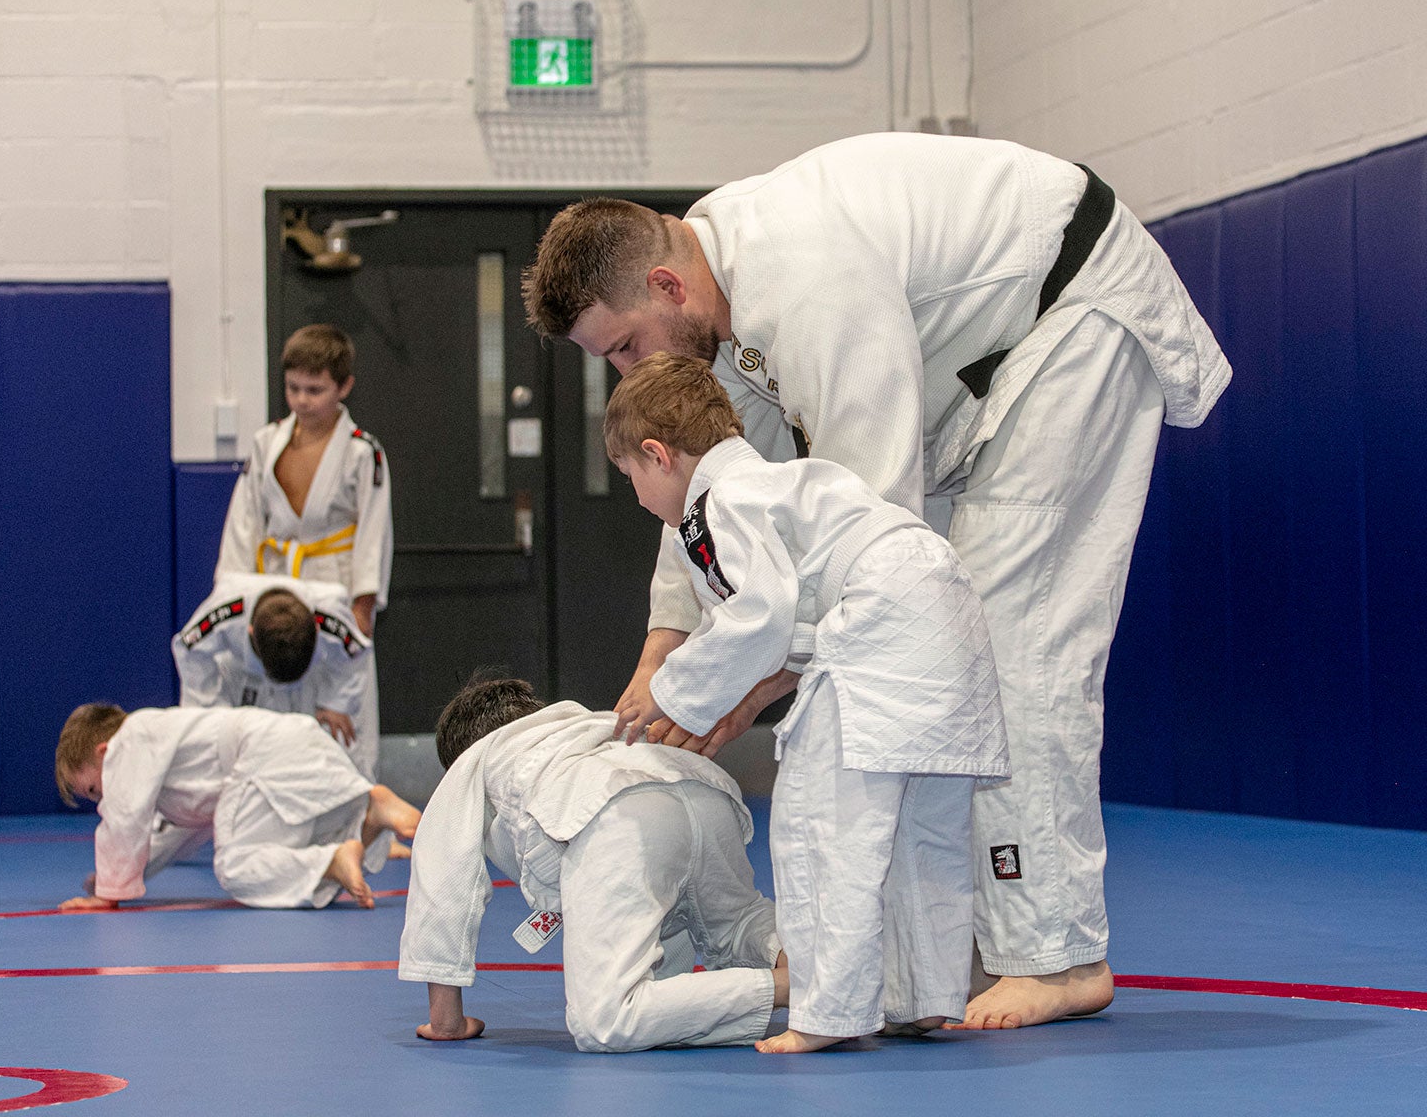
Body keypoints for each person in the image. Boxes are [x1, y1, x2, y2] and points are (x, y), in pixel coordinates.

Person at [521, 132, 1232, 1028]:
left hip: (1068, 328)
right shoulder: (711, 293)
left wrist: (758, 678)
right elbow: (714, 492)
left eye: (625, 346)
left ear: (667, 285)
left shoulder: (806, 276)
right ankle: (965, 943)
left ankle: (1057, 953)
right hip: (975, 379)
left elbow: (868, 525)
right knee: (925, 663)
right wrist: (663, 649)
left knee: (1004, 644)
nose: (630, 371)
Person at [604, 353, 1009, 1053]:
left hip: (882, 615)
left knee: (822, 820)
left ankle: (827, 1013)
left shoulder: (714, 505)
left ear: (658, 455)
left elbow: (759, 615)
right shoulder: (778, 484)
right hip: (943, 604)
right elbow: (792, 619)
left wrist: (672, 691)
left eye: (631, 477)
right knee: (923, 823)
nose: (638, 500)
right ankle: (920, 994)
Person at [399, 676, 786, 1053]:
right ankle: (815, 972)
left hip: (618, 813)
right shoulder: (582, 725)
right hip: (704, 787)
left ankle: (789, 989)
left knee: (605, 1021)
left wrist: (446, 1022)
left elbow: (443, 885)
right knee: (737, 924)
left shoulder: (475, 760)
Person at [216, 323, 392, 776]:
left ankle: (354, 801)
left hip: (333, 582)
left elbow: (373, 533)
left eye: (315, 390)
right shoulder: (266, 442)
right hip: (273, 583)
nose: (301, 400)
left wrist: (363, 607)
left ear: (344, 387)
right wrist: (231, 593)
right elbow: (244, 523)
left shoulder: (362, 453)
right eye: (293, 388)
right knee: (272, 695)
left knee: (339, 701)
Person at [55, 701, 418, 911]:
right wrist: (115, 878)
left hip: (259, 754)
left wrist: (107, 895)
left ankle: (330, 860)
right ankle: (370, 815)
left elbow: (124, 815)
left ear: (105, 751)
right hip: (291, 742)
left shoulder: (130, 739)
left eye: (93, 788)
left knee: (235, 866)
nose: (101, 798)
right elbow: (174, 836)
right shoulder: (164, 761)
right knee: (303, 838)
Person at [172, 572, 374, 776]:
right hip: (242, 678)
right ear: (250, 631)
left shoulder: (328, 611)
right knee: (219, 750)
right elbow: (189, 650)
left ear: (316, 627)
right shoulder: (229, 608)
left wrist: (337, 702)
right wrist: (214, 710)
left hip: (311, 681)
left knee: (339, 744)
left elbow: (356, 652)